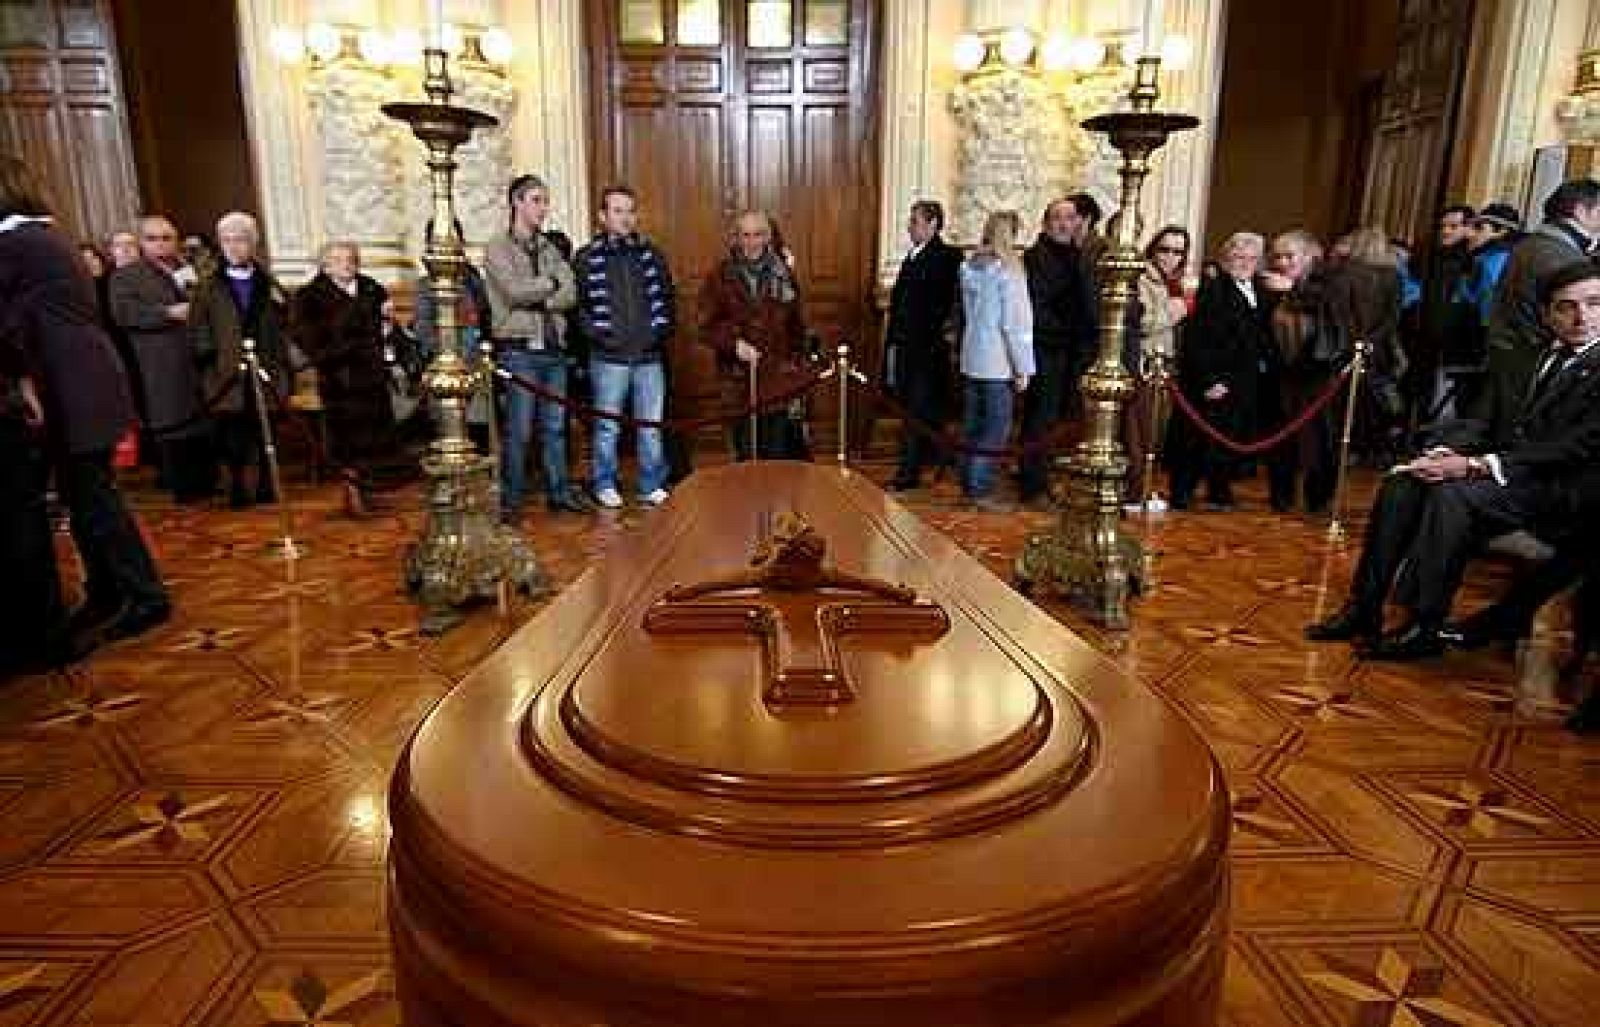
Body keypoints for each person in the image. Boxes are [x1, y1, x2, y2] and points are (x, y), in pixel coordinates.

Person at [1306, 260, 1600, 661]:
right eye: (1567, 306)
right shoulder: (1525, 356)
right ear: (1548, 314)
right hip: (1506, 478)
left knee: (1454, 495)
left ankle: (1423, 625)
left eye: (1594, 303)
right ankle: (1364, 608)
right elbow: (1480, 420)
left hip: (1559, 492)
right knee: (1403, 482)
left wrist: (1474, 465)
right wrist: (1445, 452)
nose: (1581, 316)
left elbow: (1575, 447)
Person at [0, 156, 169, 658]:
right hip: (83, 382)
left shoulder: (17, 243)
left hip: (74, 388)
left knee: (95, 500)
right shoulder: (42, 237)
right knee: (85, 496)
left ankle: (144, 596)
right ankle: (109, 591)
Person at [483, 174, 588, 518]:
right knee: (520, 430)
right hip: (519, 349)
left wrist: (540, 294)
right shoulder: (498, 247)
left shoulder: (550, 248)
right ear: (517, 201)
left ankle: (559, 493)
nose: (544, 208)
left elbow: (571, 292)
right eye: (536, 200)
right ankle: (511, 501)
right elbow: (512, 291)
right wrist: (550, 285)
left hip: (554, 349)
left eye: (545, 200)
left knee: (556, 427)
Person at [574, 185, 677, 509]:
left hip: (648, 355)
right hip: (608, 357)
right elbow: (578, 308)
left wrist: (658, 333)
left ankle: (651, 484)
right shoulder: (587, 257)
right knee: (607, 426)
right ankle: (604, 482)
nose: (626, 217)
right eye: (617, 211)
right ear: (603, 217)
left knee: (651, 427)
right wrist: (599, 334)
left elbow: (667, 299)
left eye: (630, 210)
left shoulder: (651, 253)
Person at [1475, 179, 1600, 426]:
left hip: (1511, 354)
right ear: (1580, 211)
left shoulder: (1533, 244)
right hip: (1531, 360)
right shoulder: (1559, 255)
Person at [188, 211, 291, 508]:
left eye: (241, 240)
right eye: (227, 240)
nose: (234, 247)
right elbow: (198, 328)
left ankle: (266, 484)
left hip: (264, 368)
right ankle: (236, 486)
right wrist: (209, 361)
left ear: (253, 243)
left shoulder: (266, 282)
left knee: (264, 431)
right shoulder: (208, 285)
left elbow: (283, 323)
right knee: (232, 435)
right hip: (226, 373)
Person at [110, 214, 214, 502]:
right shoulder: (127, 276)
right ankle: (183, 486)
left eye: (167, 238)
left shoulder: (189, 268)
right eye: (153, 238)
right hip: (159, 358)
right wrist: (167, 313)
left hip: (198, 356)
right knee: (172, 419)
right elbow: (123, 314)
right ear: (142, 243)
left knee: (202, 418)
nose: (161, 244)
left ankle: (208, 480)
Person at [292, 241, 400, 516]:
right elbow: (310, 340)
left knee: (375, 437)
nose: (346, 264)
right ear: (325, 265)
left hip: (373, 375)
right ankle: (352, 493)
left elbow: (385, 326)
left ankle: (368, 488)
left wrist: (386, 324)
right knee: (348, 440)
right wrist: (353, 330)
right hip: (340, 378)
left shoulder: (371, 287)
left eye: (351, 258)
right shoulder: (309, 296)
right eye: (338, 259)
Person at [1168, 232, 1271, 511]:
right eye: (1238, 256)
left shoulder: (1260, 290)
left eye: (1251, 258)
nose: (1244, 262)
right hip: (1214, 376)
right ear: (1226, 258)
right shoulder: (1214, 289)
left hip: (1243, 378)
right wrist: (1210, 379)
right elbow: (1198, 339)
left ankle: (1219, 490)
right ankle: (1182, 492)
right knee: (1195, 437)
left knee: (1229, 437)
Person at [700, 209, 811, 461]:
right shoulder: (720, 276)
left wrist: (798, 372)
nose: (752, 242)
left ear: (769, 236)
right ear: (736, 238)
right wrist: (733, 343)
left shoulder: (784, 274)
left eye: (758, 234)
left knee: (778, 457)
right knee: (747, 458)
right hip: (739, 382)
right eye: (745, 235)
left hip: (778, 382)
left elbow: (797, 327)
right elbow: (705, 326)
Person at [1019, 196, 1098, 504]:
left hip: (1071, 350)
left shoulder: (1077, 254)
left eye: (1070, 218)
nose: (1065, 224)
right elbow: (1038, 306)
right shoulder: (1037, 256)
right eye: (1058, 218)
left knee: (1055, 419)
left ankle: (1042, 476)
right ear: (1046, 223)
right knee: (1040, 418)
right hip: (1047, 348)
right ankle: (1033, 484)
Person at [958, 210, 1034, 511]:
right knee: (996, 429)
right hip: (999, 361)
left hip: (973, 355)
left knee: (973, 426)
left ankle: (969, 485)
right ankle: (980, 489)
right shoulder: (1008, 271)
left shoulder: (970, 267)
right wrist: (1023, 367)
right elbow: (1015, 324)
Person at [884, 200, 962, 491]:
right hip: (906, 348)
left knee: (916, 414)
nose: (909, 226)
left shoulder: (946, 257)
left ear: (933, 224)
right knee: (911, 411)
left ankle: (909, 473)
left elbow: (941, 305)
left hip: (927, 351)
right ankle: (929, 460)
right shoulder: (912, 256)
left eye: (915, 221)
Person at [1124, 225, 1190, 512]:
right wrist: (1177, 311)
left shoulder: (1173, 281)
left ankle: (1145, 488)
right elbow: (1142, 323)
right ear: (1154, 248)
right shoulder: (1143, 278)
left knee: (1155, 435)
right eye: (1165, 249)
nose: (1170, 257)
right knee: (1139, 434)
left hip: (1167, 366)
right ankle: (1134, 493)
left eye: (1178, 251)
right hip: (1146, 363)